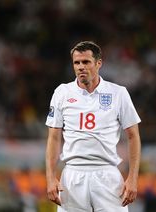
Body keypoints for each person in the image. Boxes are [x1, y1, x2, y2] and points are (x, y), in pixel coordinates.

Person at [45, 41, 142, 212]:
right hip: (72, 176)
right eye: (77, 63)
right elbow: (53, 137)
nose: (81, 67)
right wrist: (50, 177)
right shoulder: (62, 92)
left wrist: (133, 178)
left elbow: (133, 136)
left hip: (107, 175)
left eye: (86, 62)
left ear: (98, 64)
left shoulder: (118, 93)